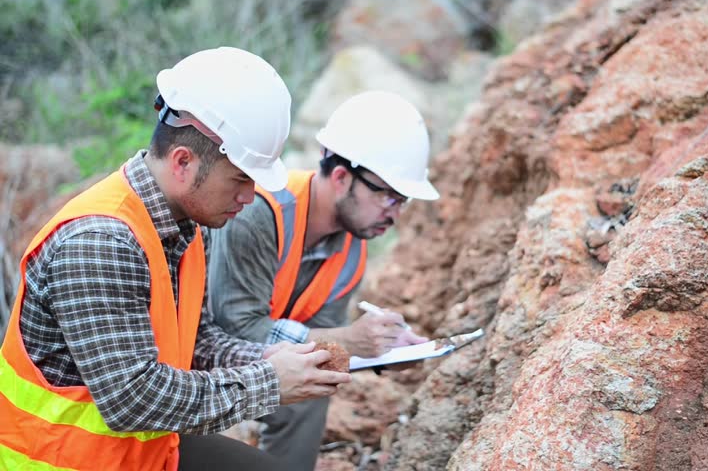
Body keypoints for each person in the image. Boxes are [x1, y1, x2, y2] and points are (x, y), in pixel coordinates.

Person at [0, 47, 351, 471]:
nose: (248, 197)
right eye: (240, 179)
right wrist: (270, 382)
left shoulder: (185, 224)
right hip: (65, 460)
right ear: (183, 161)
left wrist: (268, 360)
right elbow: (132, 400)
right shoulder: (100, 242)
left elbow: (198, 342)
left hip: (141, 452)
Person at [206, 90, 440, 470]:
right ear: (343, 177)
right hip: (192, 358)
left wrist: (384, 351)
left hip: (252, 360)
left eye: (403, 202)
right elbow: (236, 326)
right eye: (389, 197)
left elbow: (323, 343)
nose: (396, 215)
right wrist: (350, 341)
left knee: (316, 381)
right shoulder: (260, 212)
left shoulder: (352, 247)